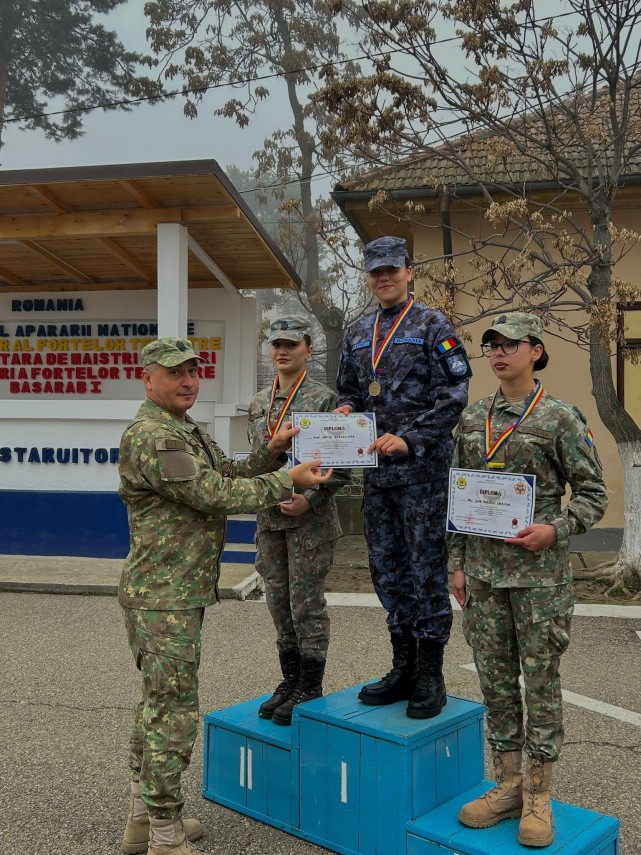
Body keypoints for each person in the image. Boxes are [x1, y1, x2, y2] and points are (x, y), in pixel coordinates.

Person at [118, 336, 332, 855]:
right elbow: (214, 495)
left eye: (193, 370)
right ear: (148, 379)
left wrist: (270, 452)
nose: (188, 380)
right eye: (174, 373)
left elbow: (229, 472)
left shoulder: (185, 429)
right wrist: (286, 479)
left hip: (176, 591)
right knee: (173, 712)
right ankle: (165, 837)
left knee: (158, 704)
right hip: (162, 595)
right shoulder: (154, 436)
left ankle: (142, 818)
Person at [451, 313, 608, 847]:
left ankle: (540, 793)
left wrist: (556, 530)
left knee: (540, 685)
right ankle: (509, 783)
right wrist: (456, 562)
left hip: (540, 579)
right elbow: (457, 497)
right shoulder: (473, 419)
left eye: (509, 344)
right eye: (490, 345)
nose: (497, 352)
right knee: (495, 683)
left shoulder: (561, 417)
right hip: (484, 576)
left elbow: (593, 495)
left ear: (535, 351)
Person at [335, 236, 472, 719]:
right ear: (368, 277)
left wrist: (410, 438)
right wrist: (346, 412)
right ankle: (403, 666)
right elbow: (348, 391)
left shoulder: (434, 325)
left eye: (392, 269)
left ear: (409, 272)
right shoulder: (356, 333)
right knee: (388, 570)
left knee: (425, 570)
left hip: (423, 475)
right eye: (375, 272)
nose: (384, 278)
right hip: (377, 477)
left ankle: (430, 673)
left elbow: (454, 393)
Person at [247, 316, 348, 725]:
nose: (282, 351)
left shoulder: (325, 399)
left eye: (292, 343)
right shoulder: (258, 402)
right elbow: (255, 459)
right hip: (270, 517)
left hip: (310, 520)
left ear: (308, 349)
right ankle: (289, 680)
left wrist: (311, 497)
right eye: (276, 344)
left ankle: (310, 685)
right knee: (278, 603)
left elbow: (342, 464)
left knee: (305, 604)